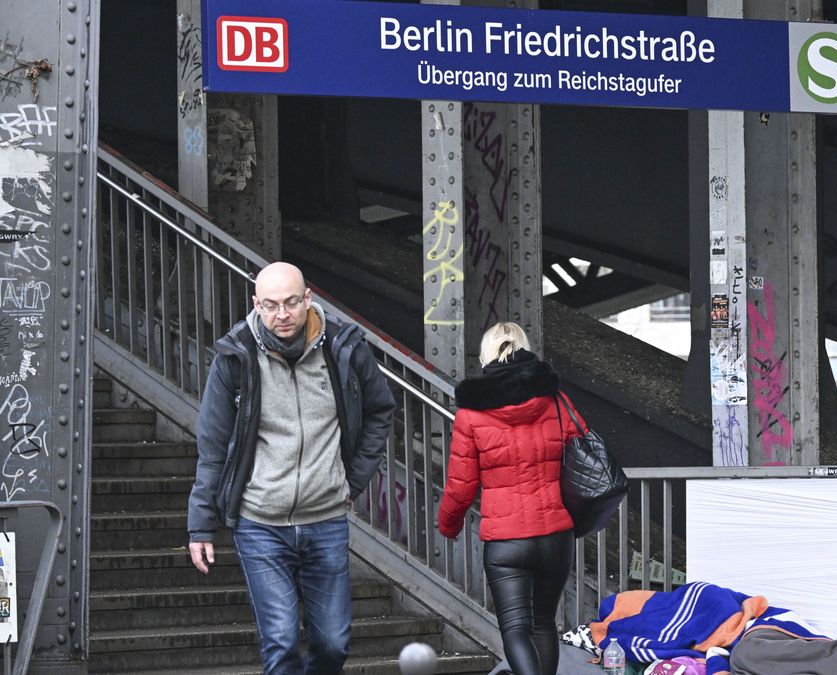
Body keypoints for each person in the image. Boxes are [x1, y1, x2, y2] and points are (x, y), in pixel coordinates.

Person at [186, 262, 396, 674]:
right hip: (260, 522)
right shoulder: (236, 356)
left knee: (333, 644)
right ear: (256, 304)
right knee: (281, 644)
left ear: (308, 299)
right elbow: (213, 447)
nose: (281, 314)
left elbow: (380, 410)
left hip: (325, 518)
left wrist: (351, 481)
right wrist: (200, 525)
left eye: (291, 302)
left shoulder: (342, 348)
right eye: (270, 305)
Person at [438, 322, 582, 675]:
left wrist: (449, 525)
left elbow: (461, 485)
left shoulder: (472, 414)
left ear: (486, 355)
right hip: (556, 536)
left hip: (507, 541)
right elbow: (582, 455)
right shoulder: (555, 400)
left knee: (516, 629)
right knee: (544, 623)